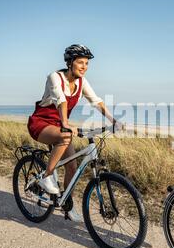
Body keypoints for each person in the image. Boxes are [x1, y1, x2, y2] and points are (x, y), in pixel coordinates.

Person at [27, 44, 121, 222]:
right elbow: (60, 99)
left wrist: (113, 120)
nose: (84, 66)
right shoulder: (55, 77)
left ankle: (66, 205)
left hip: (60, 125)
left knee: (72, 166)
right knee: (65, 136)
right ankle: (47, 177)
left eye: (86, 63)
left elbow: (96, 101)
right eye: (80, 62)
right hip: (41, 124)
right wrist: (65, 124)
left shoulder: (81, 82)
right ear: (70, 63)